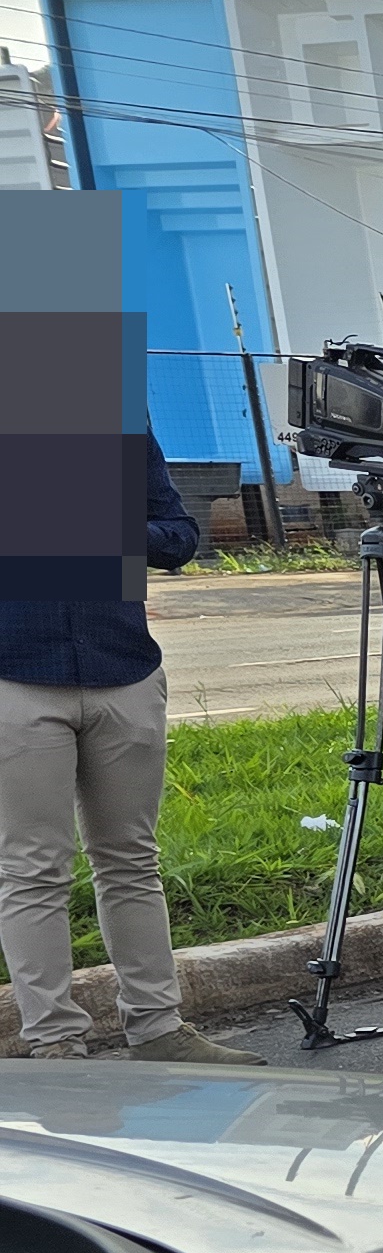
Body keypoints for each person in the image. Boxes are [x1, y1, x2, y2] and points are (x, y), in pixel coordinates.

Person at [0, 443, 257, 1061]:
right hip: (15, 676)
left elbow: (179, 537)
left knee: (131, 861)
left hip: (125, 670)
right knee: (33, 869)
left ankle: (158, 1030)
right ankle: (55, 1044)